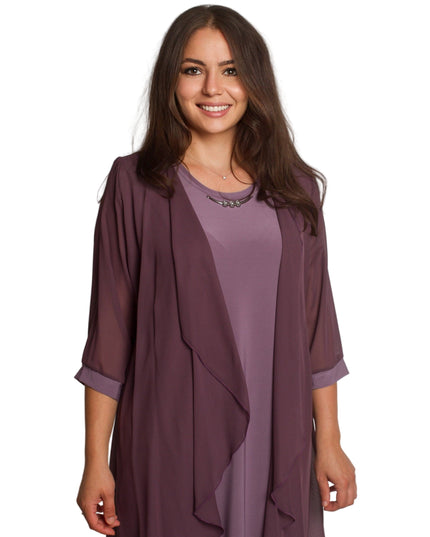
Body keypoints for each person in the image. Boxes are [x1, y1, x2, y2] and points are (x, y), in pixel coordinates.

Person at [74, 5, 357, 537]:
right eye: (193, 69)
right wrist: (94, 460)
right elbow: (110, 333)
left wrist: (330, 440)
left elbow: (317, 326)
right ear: (171, 80)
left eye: (230, 70)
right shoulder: (135, 186)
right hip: (170, 431)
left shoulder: (295, 188)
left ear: (254, 81)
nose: (212, 88)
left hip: (278, 432)